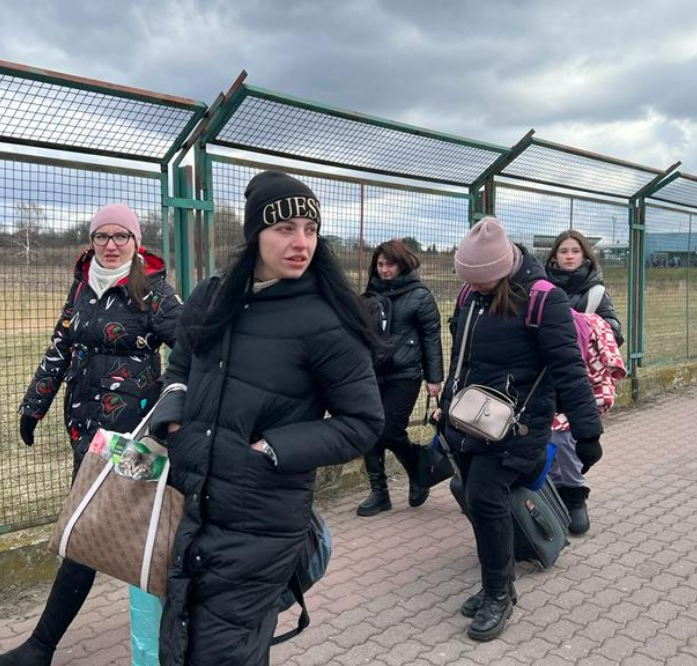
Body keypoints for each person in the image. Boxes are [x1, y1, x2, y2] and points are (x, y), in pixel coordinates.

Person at [149, 170, 384, 665]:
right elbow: (180, 366)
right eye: (285, 229)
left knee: (219, 651)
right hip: (196, 505)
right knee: (182, 637)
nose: (302, 243)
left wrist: (272, 449)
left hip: (265, 520)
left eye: (311, 229)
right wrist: (174, 424)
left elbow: (362, 422)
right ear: (255, 233)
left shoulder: (327, 320)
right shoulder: (213, 298)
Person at [0, 203, 182, 666]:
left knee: (102, 529)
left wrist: (173, 405)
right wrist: (33, 405)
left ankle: (42, 646)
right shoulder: (82, 288)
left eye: (121, 237)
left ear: (136, 243)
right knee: (102, 528)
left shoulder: (153, 291)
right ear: (91, 241)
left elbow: (193, 347)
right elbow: (60, 347)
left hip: (133, 435)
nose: (111, 245)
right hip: (86, 430)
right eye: (102, 236)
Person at [432, 217, 602, 642]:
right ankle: (500, 580)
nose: (477, 287)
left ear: (502, 269)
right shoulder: (471, 295)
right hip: (470, 421)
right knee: (473, 496)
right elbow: (462, 360)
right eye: (470, 280)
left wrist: (587, 432)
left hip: (518, 428)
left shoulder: (546, 300)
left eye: (484, 281)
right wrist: (445, 404)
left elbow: (569, 369)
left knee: (485, 498)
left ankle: (497, 594)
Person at [355, 239, 445, 516]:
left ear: (402, 263)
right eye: (379, 264)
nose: (383, 270)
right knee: (370, 429)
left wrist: (434, 378)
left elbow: (431, 337)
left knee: (390, 430)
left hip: (405, 374)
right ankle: (379, 493)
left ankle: (418, 469)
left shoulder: (419, 295)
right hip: (373, 372)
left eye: (389, 264)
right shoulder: (369, 295)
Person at [543, 229, 622, 535]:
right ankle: (548, 490)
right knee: (545, 434)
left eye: (575, 251)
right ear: (554, 256)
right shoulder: (542, 289)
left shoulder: (596, 293)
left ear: (585, 255)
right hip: (548, 373)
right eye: (563, 251)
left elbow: (614, 330)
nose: (569, 256)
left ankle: (574, 496)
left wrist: (591, 329)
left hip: (582, 378)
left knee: (568, 435)